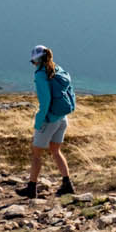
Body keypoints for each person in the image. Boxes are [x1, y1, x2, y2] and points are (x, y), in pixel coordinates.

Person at [21, 44, 75, 198]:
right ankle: (67, 184)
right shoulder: (58, 69)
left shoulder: (40, 75)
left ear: (37, 61)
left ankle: (31, 188)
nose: (33, 65)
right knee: (55, 151)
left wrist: (38, 123)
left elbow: (45, 102)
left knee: (37, 154)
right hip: (62, 118)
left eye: (33, 62)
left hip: (49, 120)